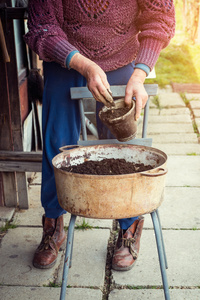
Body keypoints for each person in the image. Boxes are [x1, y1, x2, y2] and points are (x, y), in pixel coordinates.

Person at [24, 0, 175, 271]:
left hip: (122, 56)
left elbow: (159, 19)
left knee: (123, 148)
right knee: (56, 141)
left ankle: (129, 227)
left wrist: (140, 75)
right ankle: (53, 225)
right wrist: (85, 65)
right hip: (65, 57)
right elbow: (42, 26)